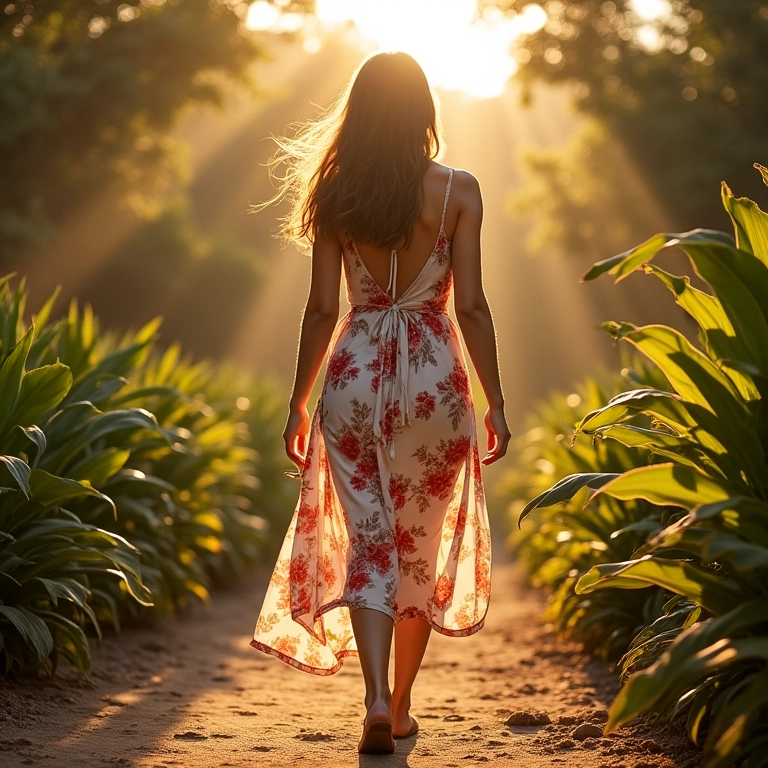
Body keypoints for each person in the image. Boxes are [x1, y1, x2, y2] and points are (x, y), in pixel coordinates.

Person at [250, 50, 510, 754]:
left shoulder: (336, 194)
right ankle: (399, 706)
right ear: (424, 112)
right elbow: (476, 307)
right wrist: (495, 402)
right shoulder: (460, 190)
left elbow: (319, 309)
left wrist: (299, 403)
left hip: (355, 377)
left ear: (359, 113)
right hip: (435, 383)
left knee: (371, 541)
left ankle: (368, 695)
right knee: (417, 549)